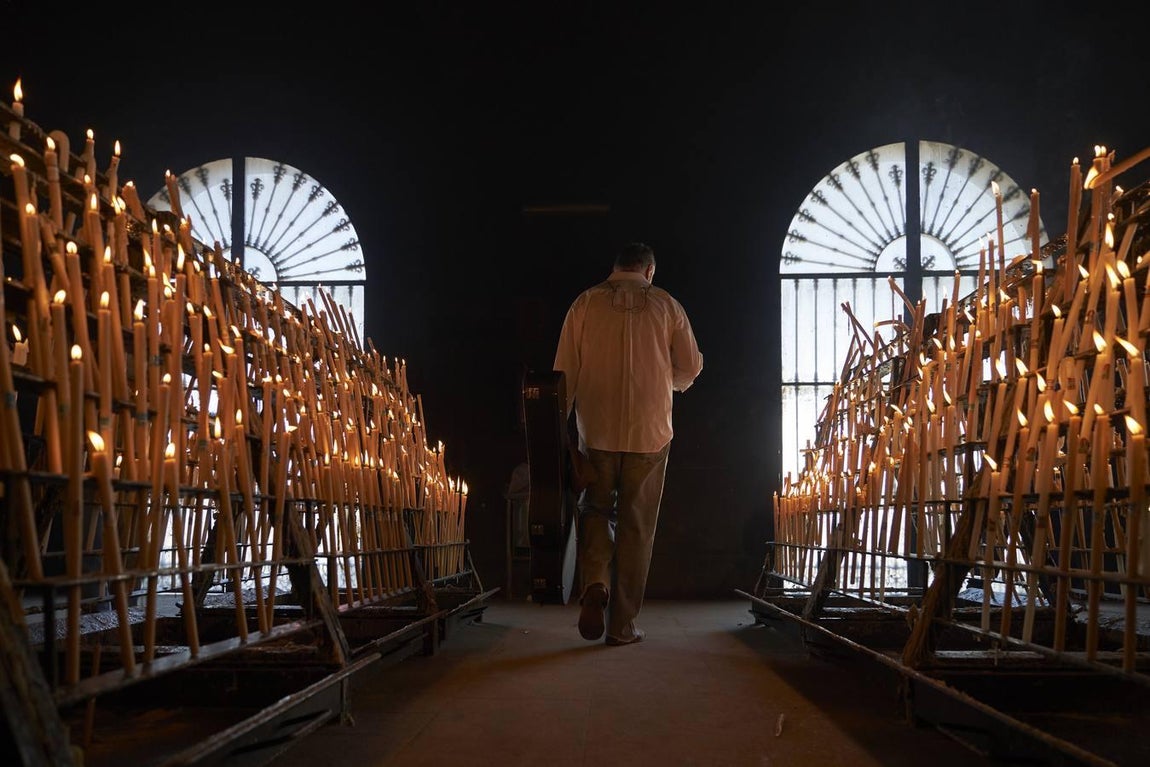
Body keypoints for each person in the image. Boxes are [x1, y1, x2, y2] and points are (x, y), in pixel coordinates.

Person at [553, 241, 703, 646]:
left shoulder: (584, 303)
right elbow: (690, 367)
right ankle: (622, 626)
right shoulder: (667, 305)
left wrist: (562, 432)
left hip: (597, 431)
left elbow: (563, 374)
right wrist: (663, 382)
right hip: (650, 434)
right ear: (650, 271)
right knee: (638, 527)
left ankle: (596, 583)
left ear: (614, 267)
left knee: (596, 511)